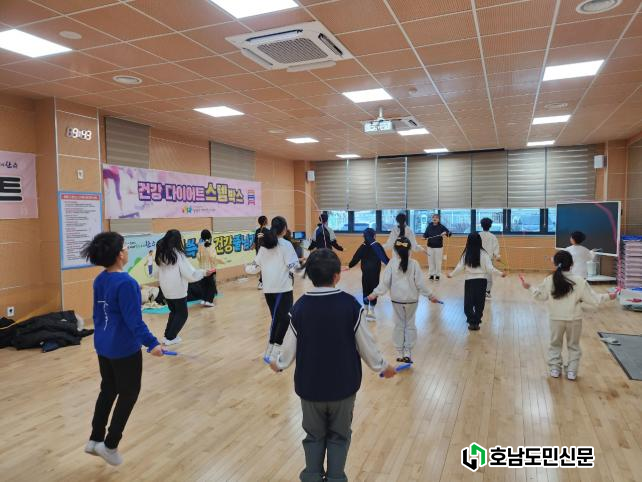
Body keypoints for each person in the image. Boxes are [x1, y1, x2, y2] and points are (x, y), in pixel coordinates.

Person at [271, 248, 396, 482]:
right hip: (343, 387)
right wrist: (383, 366)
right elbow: (366, 345)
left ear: (310, 275)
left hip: (309, 388)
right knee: (339, 436)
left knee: (313, 436)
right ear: (337, 276)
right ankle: (336, 477)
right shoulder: (350, 305)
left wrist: (279, 363)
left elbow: (288, 348)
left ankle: (312, 476)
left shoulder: (300, 307)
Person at [80, 231, 164, 466]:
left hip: (103, 345)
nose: (127, 250)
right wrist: (152, 343)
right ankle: (110, 445)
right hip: (123, 349)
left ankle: (95, 439)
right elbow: (134, 321)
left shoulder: (100, 279)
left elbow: (100, 315)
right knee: (129, 393)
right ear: (119, 255)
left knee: (108, 389)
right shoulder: (127, 283)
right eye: (125, 247)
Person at [520, 250, 616, 380]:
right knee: (574, 346)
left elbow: (540, 296)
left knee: (555, 344)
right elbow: (594, 300)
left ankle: (555, 369)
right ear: (572, 264)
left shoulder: (549, 279)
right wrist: (609, 296)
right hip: (574, 319)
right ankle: (572, 371)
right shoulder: (580, 281)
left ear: (555, 263)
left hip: (555, 319)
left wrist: (529, 287)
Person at [368, 237, 440, 363]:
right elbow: (420, 284)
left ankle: (400, 352)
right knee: (410, 325)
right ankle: (408, 352)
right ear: (410, 249)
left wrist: (374, 294)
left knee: (399, 325)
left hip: (397, 300)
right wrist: (430, 295)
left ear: (395, 250)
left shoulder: (392, 263)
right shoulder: (415, 264)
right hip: (412, 300)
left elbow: (385, 283)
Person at [245, 216, 301, 362]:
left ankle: (270, 351)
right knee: (285, 319)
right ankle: (275, 351)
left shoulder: (265, 245)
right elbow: (294, 268)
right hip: (283, 289)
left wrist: (247, 267)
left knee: (277, 319)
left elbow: (253, 268)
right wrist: (309, 271)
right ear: (284, 229)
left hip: (269, 290)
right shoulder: (286, 245)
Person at [154, 229, 214, 345]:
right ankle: (170, 337)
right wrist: (203, 273)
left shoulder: (161, 254)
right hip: (177, 290)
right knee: (182, 314)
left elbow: (155, 273)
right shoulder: (178, 255)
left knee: (174, 312)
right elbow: (189, 274)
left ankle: (168, 336)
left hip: (166, 289)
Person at [448, 233, 505, 331]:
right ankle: (476, 322)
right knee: (480, 303)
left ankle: (472, 322)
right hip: (481, 282)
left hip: (470, 282)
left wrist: (451, 274)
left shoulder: (466, 253)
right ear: (480, 241)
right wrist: (500, 273)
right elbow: (490, 268)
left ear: (468, 241)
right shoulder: (484, 254)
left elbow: (460, 267)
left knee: (468, 303)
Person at [348, 228, 389, 319]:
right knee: (374, 290)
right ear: (374, 236)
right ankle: (371, 311)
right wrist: (392, 266)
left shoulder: (363, 246)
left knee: (366, 289)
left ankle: (366, 310)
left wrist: (349, 266)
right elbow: (384, 258)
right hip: (375, 273)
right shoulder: (377, 245)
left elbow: (356, 257)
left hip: (366, 273)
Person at [197, 229, 221, 308]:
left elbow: (198, 257)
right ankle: (209, 301)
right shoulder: (211, 246)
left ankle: (204, 300)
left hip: (202, 270)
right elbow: (213, 257)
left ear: (201, 237)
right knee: (211, 286)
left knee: (204, 285)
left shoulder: (200, 246)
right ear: (210, 236)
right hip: (210, 269)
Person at [423, 213, 451, 280]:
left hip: (438, 247)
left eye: (436, 217)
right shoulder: (429, 226)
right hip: (430, 246)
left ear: (438, 219)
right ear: (432, 219)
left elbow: (449, 233)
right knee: (430, 261)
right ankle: (431, 274)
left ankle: (438, 275)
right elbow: (426, 234)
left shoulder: (441, 226)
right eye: (433, 217)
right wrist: (424, 237)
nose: (434, 219)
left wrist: (445, 233)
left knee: (438, 261)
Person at [479, 218, 500, 299]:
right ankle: (487, 292)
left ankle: (481, 292)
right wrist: (497, 256)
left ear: (481, 225)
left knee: (479, 275)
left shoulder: (478, 235)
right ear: (490, 226)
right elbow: (496, 248)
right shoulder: (493, 237)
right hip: (488, 260)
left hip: (478, 259)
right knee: (488, 277)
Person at [253, 216, 270, 289]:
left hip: (259, 253)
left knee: (261, 267)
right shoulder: (267, 231)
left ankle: (262, 282)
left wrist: (252, 247)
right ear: (265, 221)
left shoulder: (257, 231)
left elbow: (255, 243)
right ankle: (262, 282)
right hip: (265, 253)